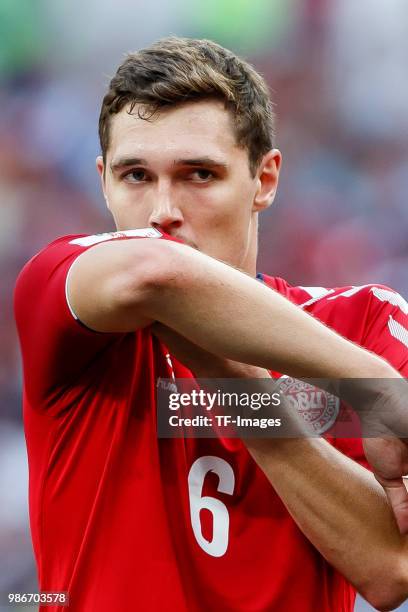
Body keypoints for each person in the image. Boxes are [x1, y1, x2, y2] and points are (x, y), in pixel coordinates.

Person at [14, 37, 408, 612]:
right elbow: (153, 271)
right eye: (135, 176)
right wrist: (365, 379)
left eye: (199, 174)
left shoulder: (363, 317)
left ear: (264, 180)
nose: (162, 210)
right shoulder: (60, 291)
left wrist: (237, 384)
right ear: (102, 180)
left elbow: (391, 571)